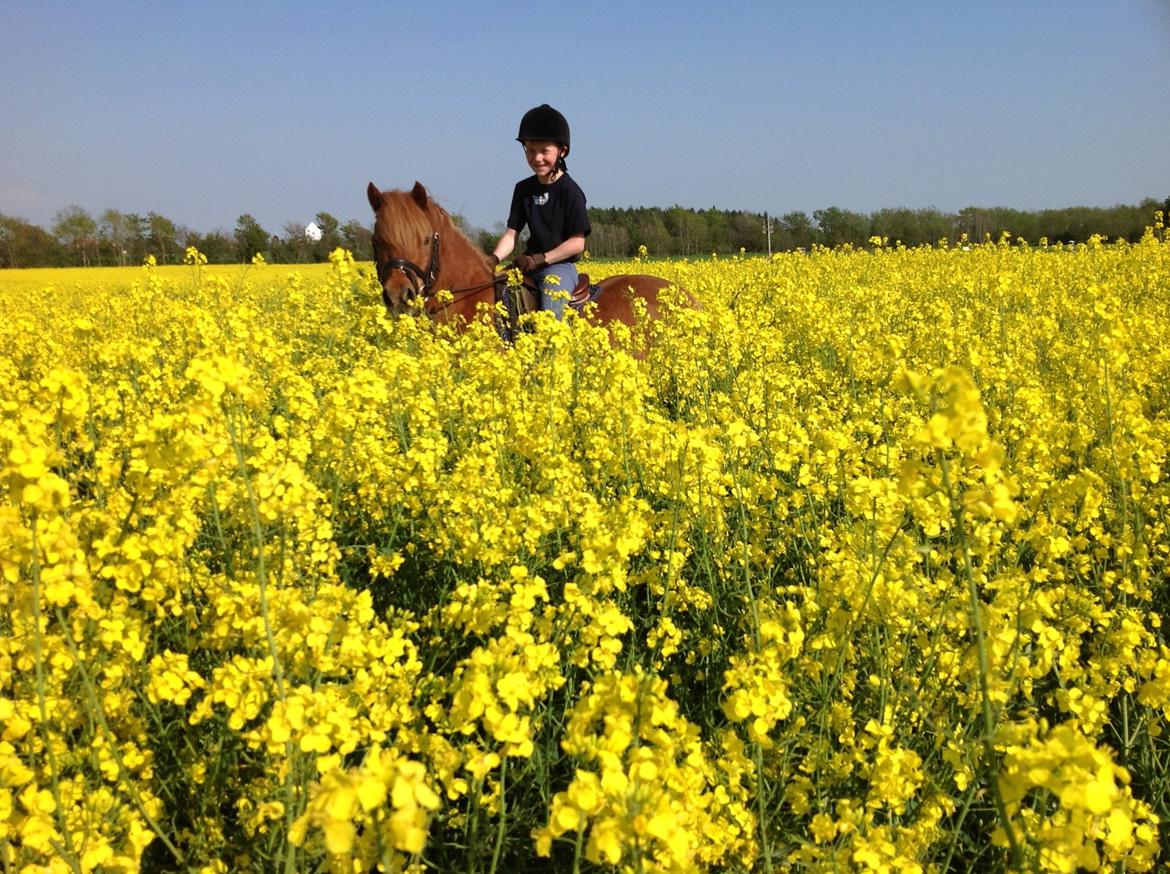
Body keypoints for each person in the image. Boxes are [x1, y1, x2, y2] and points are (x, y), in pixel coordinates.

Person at [489, 104, 591, 320]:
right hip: (528, 266)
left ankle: (551, 352)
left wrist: (542, 259)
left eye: (544, 151)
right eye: (530, 151)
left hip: (559, 268)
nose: (537, 158)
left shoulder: (570, 191)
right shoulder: (523, 189)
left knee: (551, 308)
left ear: (561, 151)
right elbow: (511, 234)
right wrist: (493, 259)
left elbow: (577, 242)